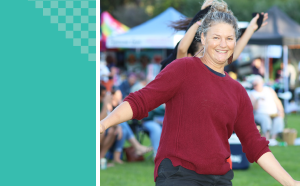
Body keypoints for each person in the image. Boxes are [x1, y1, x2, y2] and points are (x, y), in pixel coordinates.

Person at [100, 0, 300, 185]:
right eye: (216, 37)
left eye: (229, 38)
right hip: (179, 175)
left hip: (220, 178)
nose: (223, 44)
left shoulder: (237, 91)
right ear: (203, 38)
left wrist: (291, 183)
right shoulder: (183, 68)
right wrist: (103, 124)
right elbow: (141, 101)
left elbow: (256, 145)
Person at [160, 0, 268, 70]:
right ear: (189, 55)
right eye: (202, 51)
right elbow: (182, 48)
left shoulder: (213, 65)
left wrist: (251, 28)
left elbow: (233, 55)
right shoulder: (184, 66)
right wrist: (200, 17)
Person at [107, 88, 153, 163]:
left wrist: (120, 103)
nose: (121, 95)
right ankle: (137, 146)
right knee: (122, 123)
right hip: (108, 128)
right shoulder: (108, 104)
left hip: (116, 128)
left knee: (124, 130)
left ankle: (116, 158)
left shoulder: (118, 104)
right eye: (119, 94)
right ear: (113, 95)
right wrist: (118, 126)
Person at [249, 75, 285, 146]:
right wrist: (257, 100)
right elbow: (254, 108)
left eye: (256, 84)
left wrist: (281, 111)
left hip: (273, 113)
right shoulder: (252, 93)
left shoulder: (269, 90)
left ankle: (273, 139)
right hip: (260, 114)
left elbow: (277, 101)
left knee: (279, 119)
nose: (254, 86)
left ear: (261, 83)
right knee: (265, 119)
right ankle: (267, 139)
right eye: (253, 85)